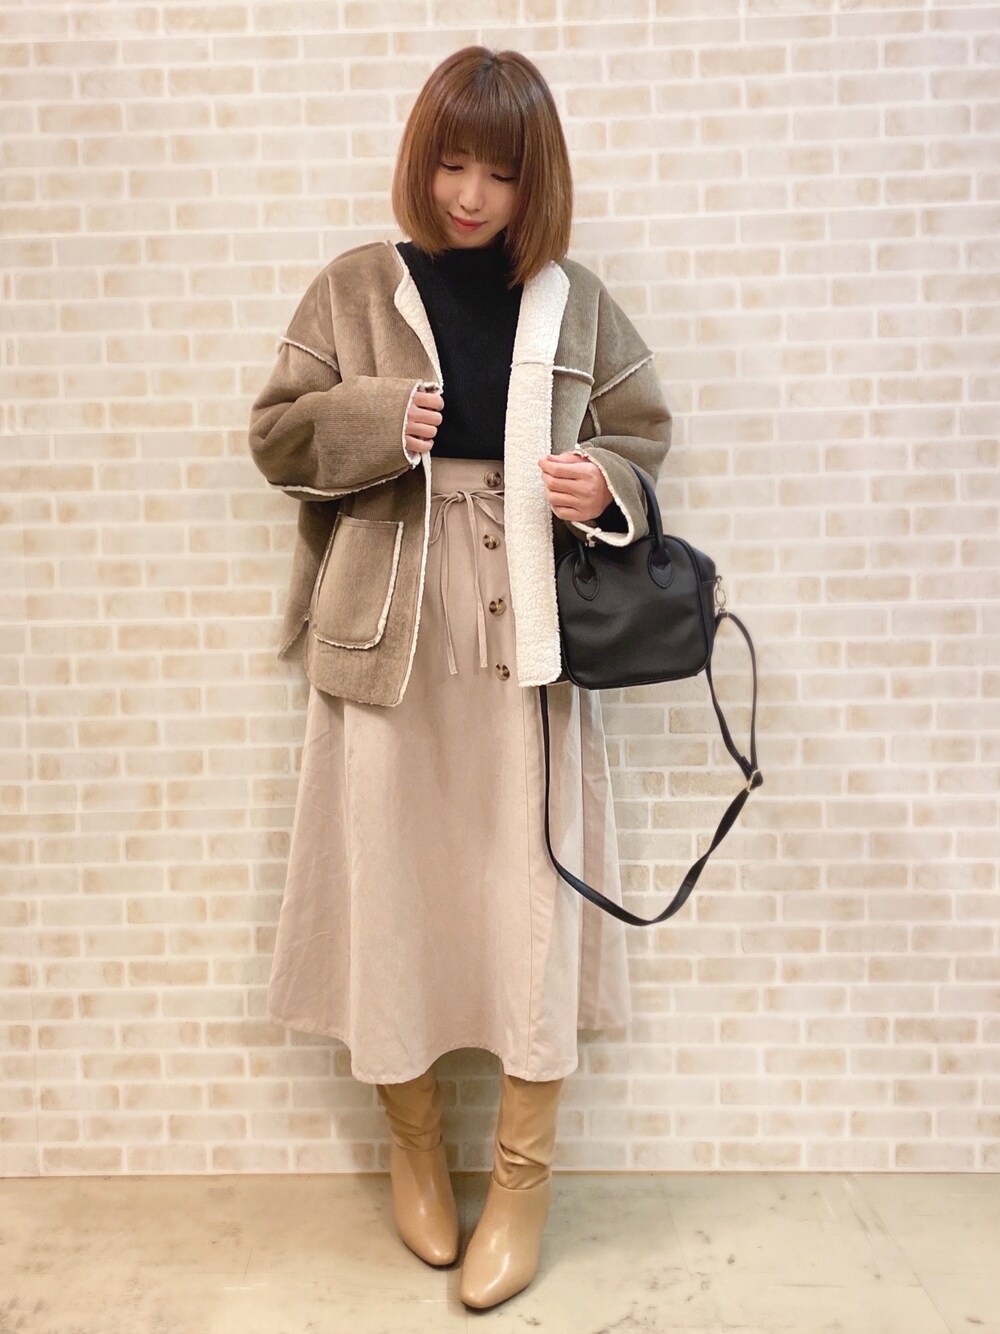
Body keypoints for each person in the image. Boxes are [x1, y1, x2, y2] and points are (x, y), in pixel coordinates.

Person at [247, 45, 673, 1310]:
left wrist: (603, 483)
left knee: (528, 893)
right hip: (386, 630)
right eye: (450, 162)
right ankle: (416, 1149)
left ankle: (523, 1182)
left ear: (536, 179)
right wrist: (378, 420)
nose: (471, 193)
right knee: (387, 883)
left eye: (499, 169)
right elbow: (275, 432)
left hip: (527, 638)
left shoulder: (574, 302)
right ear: (420, 162)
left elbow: (643, 431)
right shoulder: (354, 287)